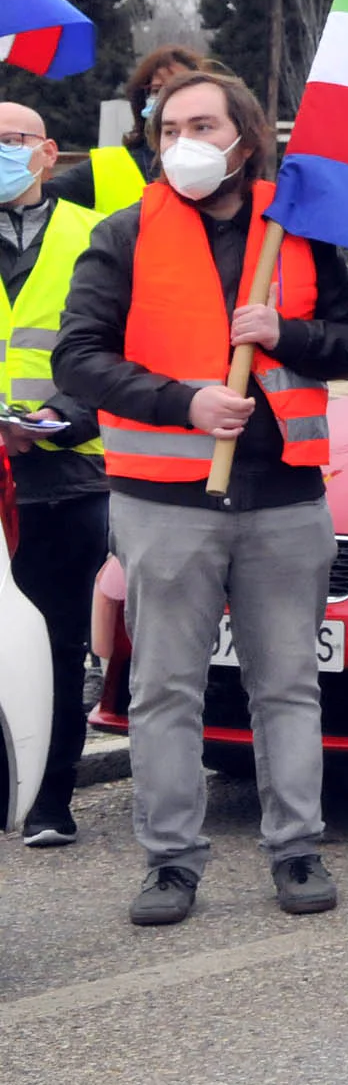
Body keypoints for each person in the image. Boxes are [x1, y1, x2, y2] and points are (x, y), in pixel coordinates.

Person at [55, 70, 348, 926]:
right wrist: (184, 401)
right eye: (167, 131)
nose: (183, 144)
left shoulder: (300, 235)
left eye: (202, 125)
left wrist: (290, 334)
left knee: (288, 685)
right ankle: (171, 863)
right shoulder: (123, 235)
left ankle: (298, 850)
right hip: (164, 503)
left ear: (245, 135)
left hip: (284, 500)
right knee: (165, 688)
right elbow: (79, 360)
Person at [0, 102, 109, 848]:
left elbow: (116, 347)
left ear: (48, 153)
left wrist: (64, 422)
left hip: (64, 473)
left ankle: (50, 796)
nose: (2, 153)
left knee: (57, 640)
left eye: (12, 141)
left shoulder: (91, 237)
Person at [44, 45, 211, 212]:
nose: (168, 97)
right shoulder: (108, 168)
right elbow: (37, 203)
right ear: (143, 100)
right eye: (157, 90)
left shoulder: (223, 163)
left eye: (180, 88)